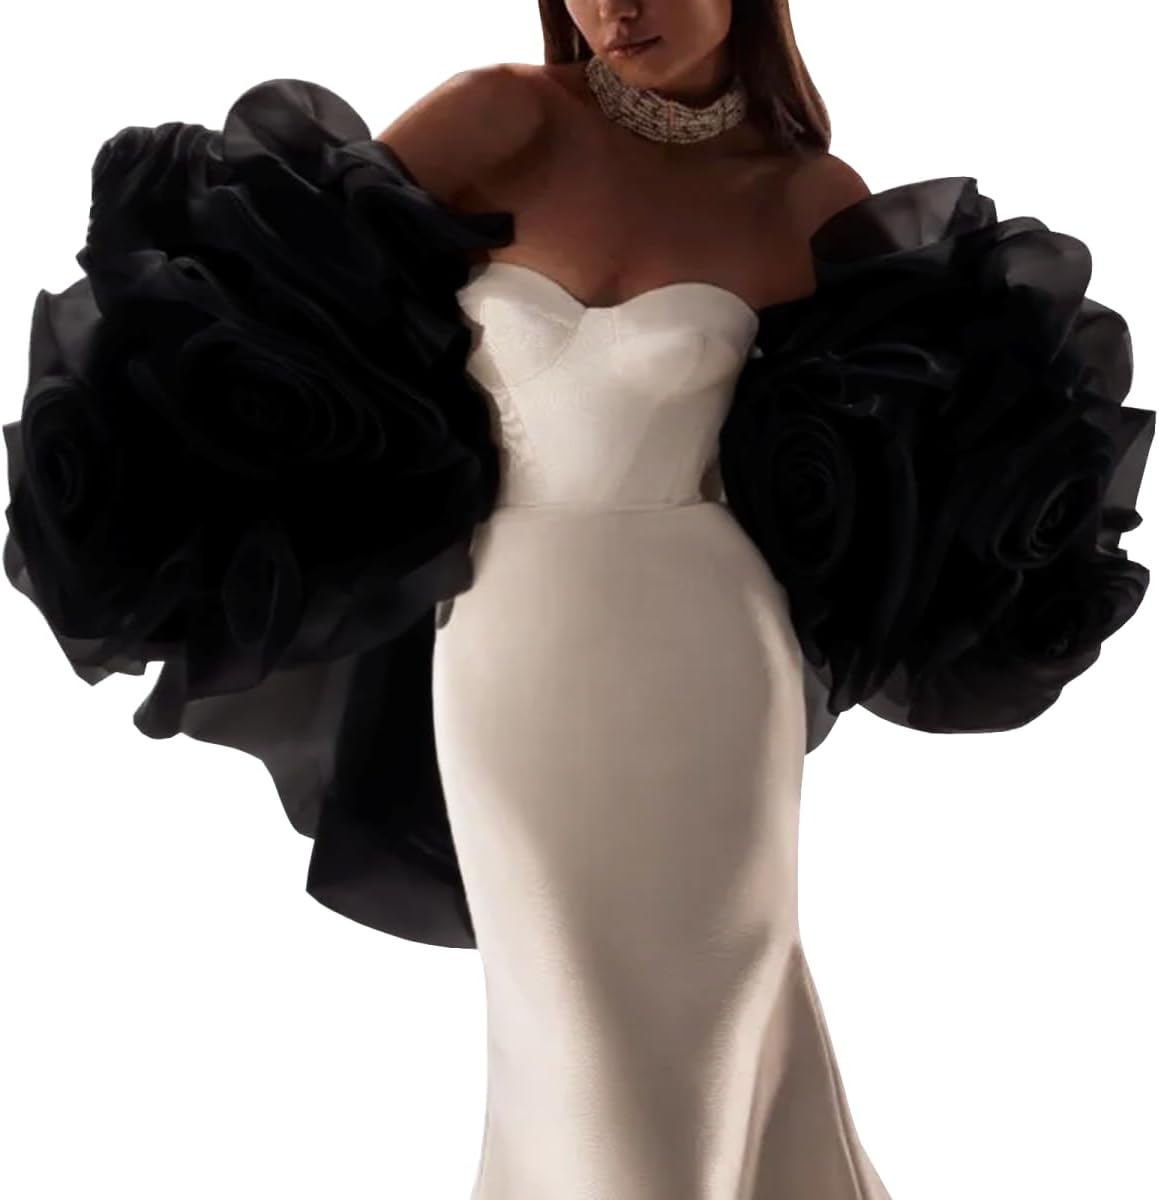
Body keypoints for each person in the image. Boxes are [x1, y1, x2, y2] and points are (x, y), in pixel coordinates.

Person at [3, 0, 1150, 1197]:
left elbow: (890, 461)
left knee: (708, 1012)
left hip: (711, 660)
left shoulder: (805, 197)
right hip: (509, 648)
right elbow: (294, 295)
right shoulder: (499, 117)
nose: (616, 8)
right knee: (569, 1026)